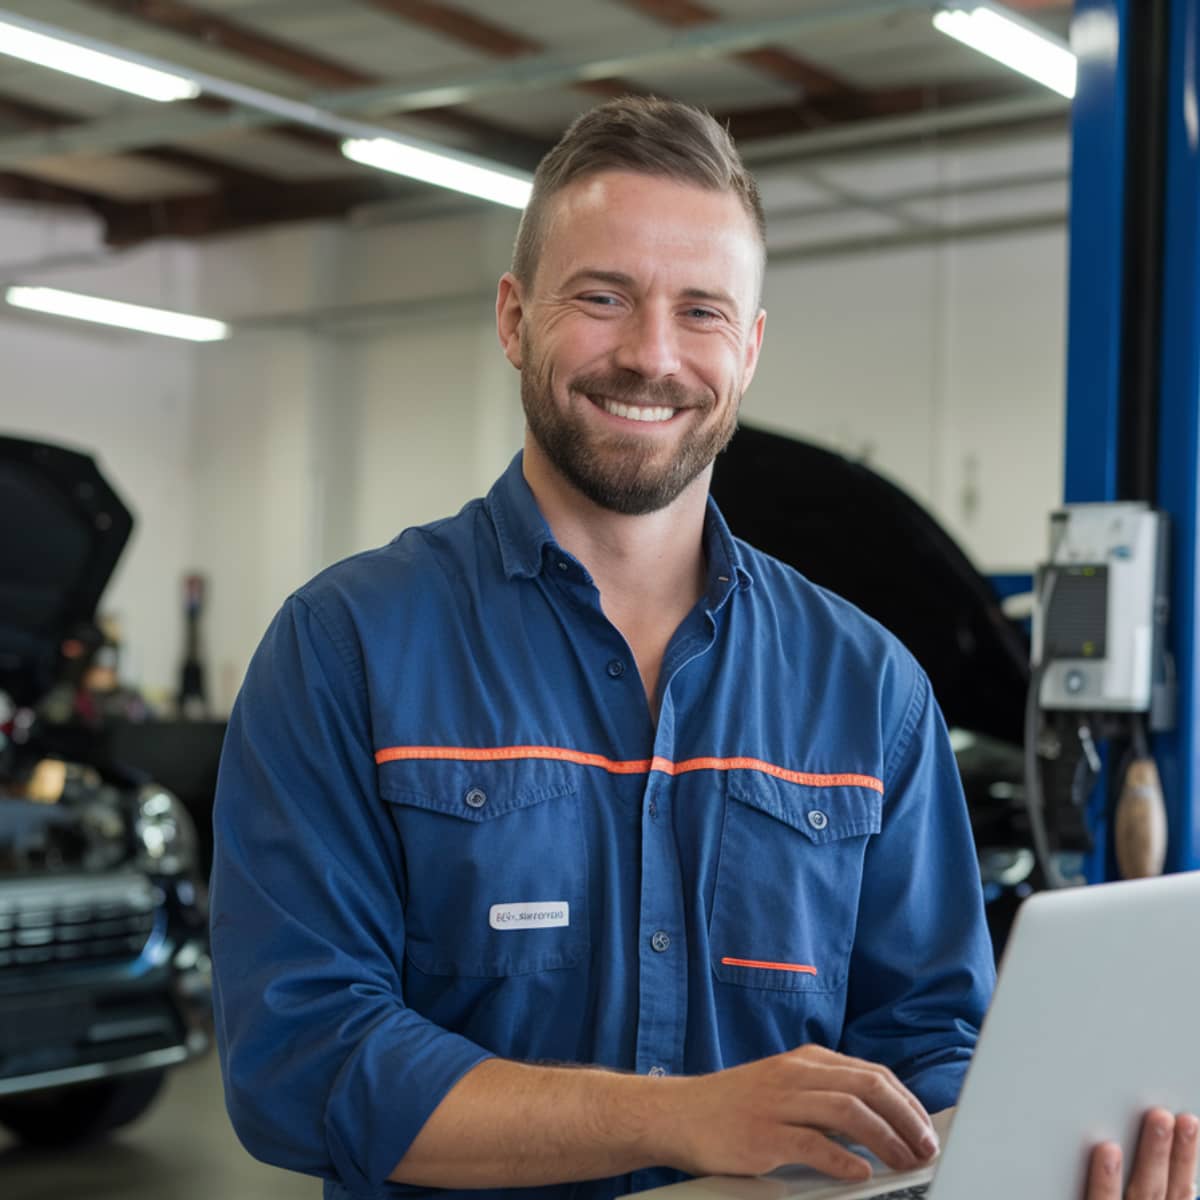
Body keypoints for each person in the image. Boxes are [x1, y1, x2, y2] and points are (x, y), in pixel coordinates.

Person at [209, 97, 1196, 1200]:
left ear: (751, 348)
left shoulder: (871, 690)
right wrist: (675, 1119)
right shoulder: (344, 651)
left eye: (701, 311)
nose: (652, 355)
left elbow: (928, 1049)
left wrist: (1061, 1156)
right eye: (602, 297)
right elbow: (301, 1059)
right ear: (514, 318)